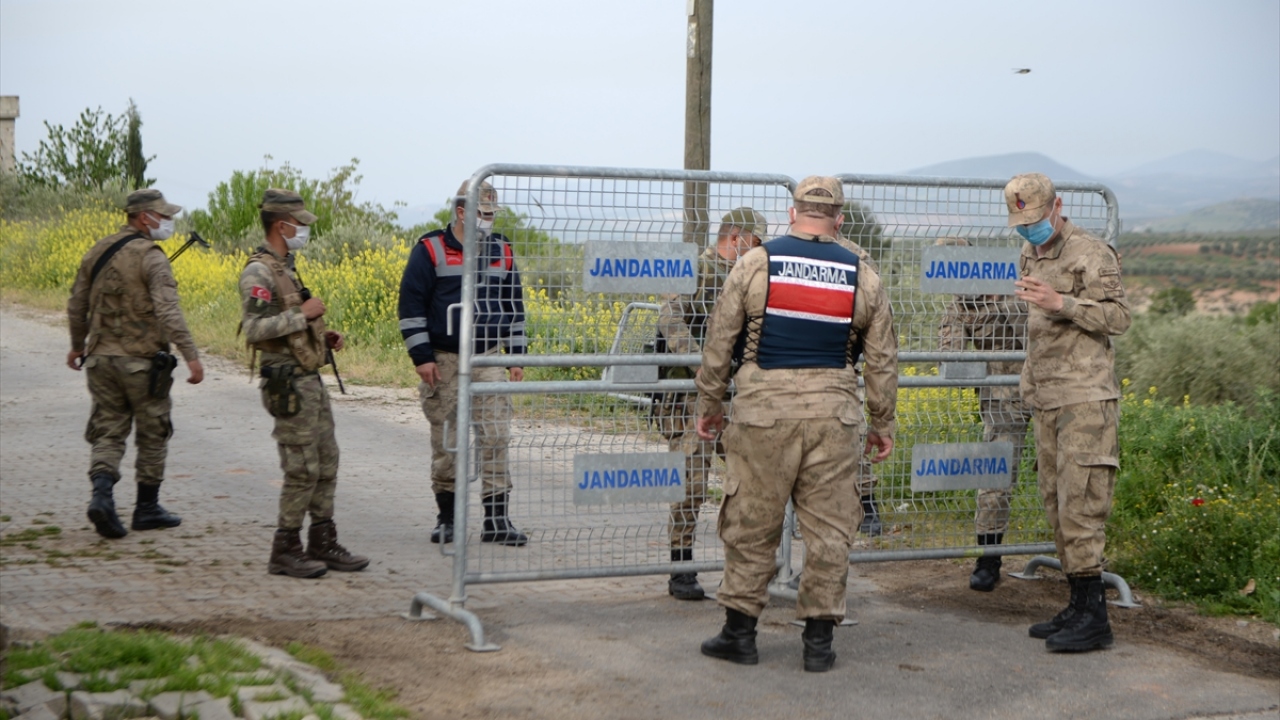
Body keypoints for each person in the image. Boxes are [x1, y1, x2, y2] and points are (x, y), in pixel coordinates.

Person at [695, 176, 898, 672]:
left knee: (752, 523)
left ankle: (739, 634)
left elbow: (720, 340)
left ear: (792, 212)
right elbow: (882, 359)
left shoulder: (755, 263)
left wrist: (710, 404)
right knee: (830, 529)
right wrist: (881, 422)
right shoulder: (862, 275)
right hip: (833, 414)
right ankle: (819, 644)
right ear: (839, 219)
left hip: (764, 412)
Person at [1007, 173, 1131, 652]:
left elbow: (1118, 318)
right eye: (1020, 222)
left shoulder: (1091, 252)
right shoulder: (1030, 251)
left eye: (1035, 220)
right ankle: (1078, 605)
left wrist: (1064, 303)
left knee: (1082, 506)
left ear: (1057, 206)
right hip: (1047, 398)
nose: (1028, 230)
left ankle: (1095, 618)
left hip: (1084, 399)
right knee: (1056, 506)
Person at [240, 188, 368, 579]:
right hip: (287, 384)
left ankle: (322, 540)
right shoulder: (258, 271)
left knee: (327, 461)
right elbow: (254, 330)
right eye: (300, 224)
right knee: (301, 468)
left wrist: (321, 336)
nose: (304, 230)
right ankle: (286, 548)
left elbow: (289, 324)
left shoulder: (285, 267)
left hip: (308, 379)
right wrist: (302, 315)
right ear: (282, 225)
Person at [66, 188, 204, 539]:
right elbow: (168, 310)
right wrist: (191, 356)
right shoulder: (152, 257)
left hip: (99, 360)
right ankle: (146, 508)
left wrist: (75, 346)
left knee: (108, 428)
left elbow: (76, 303)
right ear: (145, 217)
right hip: (142, 363)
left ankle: (102, 496)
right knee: (153, 431)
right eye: (164, 216)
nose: (169, 222)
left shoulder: (97, 250)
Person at [398, 179, 529, 547]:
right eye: (482, 214)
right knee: (448, 440)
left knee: (496, 437)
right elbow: (411, 307)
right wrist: (421, 357)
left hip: (487, 357)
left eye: (491, 214)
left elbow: (514, 305)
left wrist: (516, 355)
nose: (488, 221)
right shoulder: (430, 250)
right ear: (461, 212)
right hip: (444, 358)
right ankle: (448, 519)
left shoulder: (502, 249)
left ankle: (497, 521)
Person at [654, 207, 766, 600]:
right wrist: (703, 365)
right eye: (754, 243)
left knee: (748, 481)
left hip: (736, 395)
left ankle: (743, 570)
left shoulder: (747, 277)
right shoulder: (693, 269)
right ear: (735, 238)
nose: (758, 252)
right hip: (690, 397)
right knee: (690, 483)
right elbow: (670, 319)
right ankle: (681, 566)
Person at [935, 238, 1032, 592]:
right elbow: (951, 362)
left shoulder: (1018, 283)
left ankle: (1080, 563)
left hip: (1052, 383)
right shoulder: (959, 307)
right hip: (1004, 398)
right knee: (996, 476)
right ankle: (988, 559)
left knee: (1065, 476)